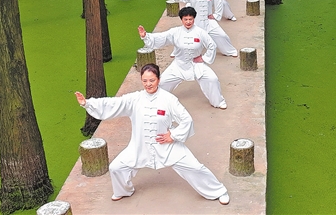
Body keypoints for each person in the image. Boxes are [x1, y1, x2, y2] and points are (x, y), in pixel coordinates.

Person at [74, 63, 230, 204]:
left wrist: (173, 135)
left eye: (152, 80)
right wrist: (88, 103)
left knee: (195, 168)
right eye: (145, 81)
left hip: (167, 147)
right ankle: (123, 191)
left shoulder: (169, 99)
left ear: (158, 80)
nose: (148, 84)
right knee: (116, 168)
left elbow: (186, 120)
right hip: (139, 147)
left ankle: (219, 191)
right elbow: (114, 103)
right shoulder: (134, 99)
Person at [138, 6, 227, 109]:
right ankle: (153, 101)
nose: (188, 22)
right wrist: (146, 36)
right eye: (185, 19)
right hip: (178, 65)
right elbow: (162, 37)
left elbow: (212, 45)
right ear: (181, 19)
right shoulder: (175, 32)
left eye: (190, 19)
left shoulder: (200, 32)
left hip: (196, 65)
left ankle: (218, 101)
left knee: (212, 79)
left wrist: (203, 58)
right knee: (161, 82)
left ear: (194, 19)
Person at [169, 0, 238, 57]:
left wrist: (216, 15)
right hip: (196, 22)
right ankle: (177, 52)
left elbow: (220, 1)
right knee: (186, 37)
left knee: (222, 35)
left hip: (208, 21)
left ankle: (230, 51)